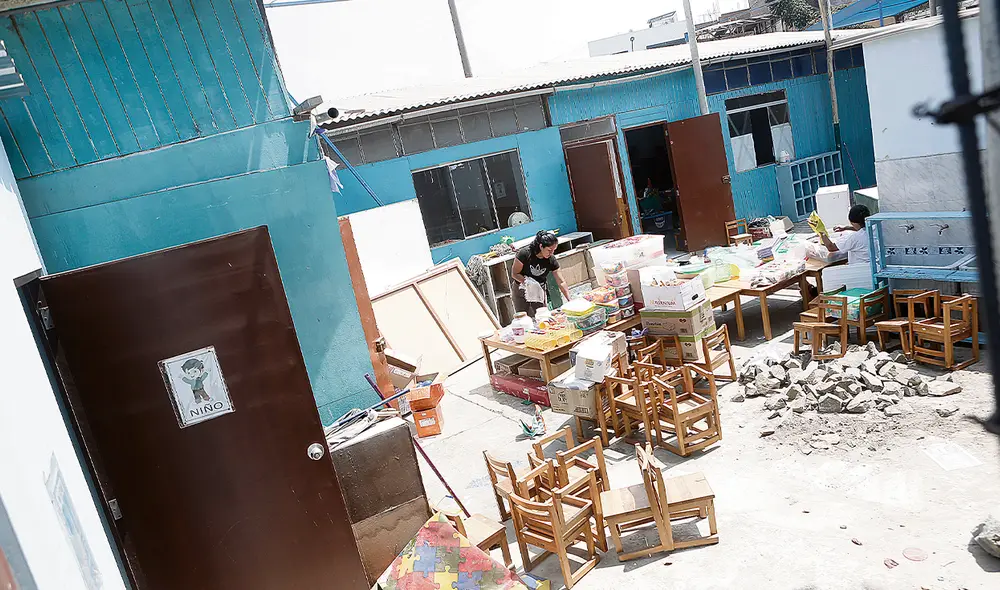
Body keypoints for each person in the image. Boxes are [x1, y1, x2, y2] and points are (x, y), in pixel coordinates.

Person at [511, 231, 570, 318]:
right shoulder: (525, 254)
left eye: (554, 250)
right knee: (523, 317)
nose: (551, 253)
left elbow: (561, 282)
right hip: (521, 288)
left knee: (542, 316)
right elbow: (514, 274)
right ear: (541, 246)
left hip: (538, 290)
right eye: (549, 250)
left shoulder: (551, 260)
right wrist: (528, 282)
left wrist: (569, 299)